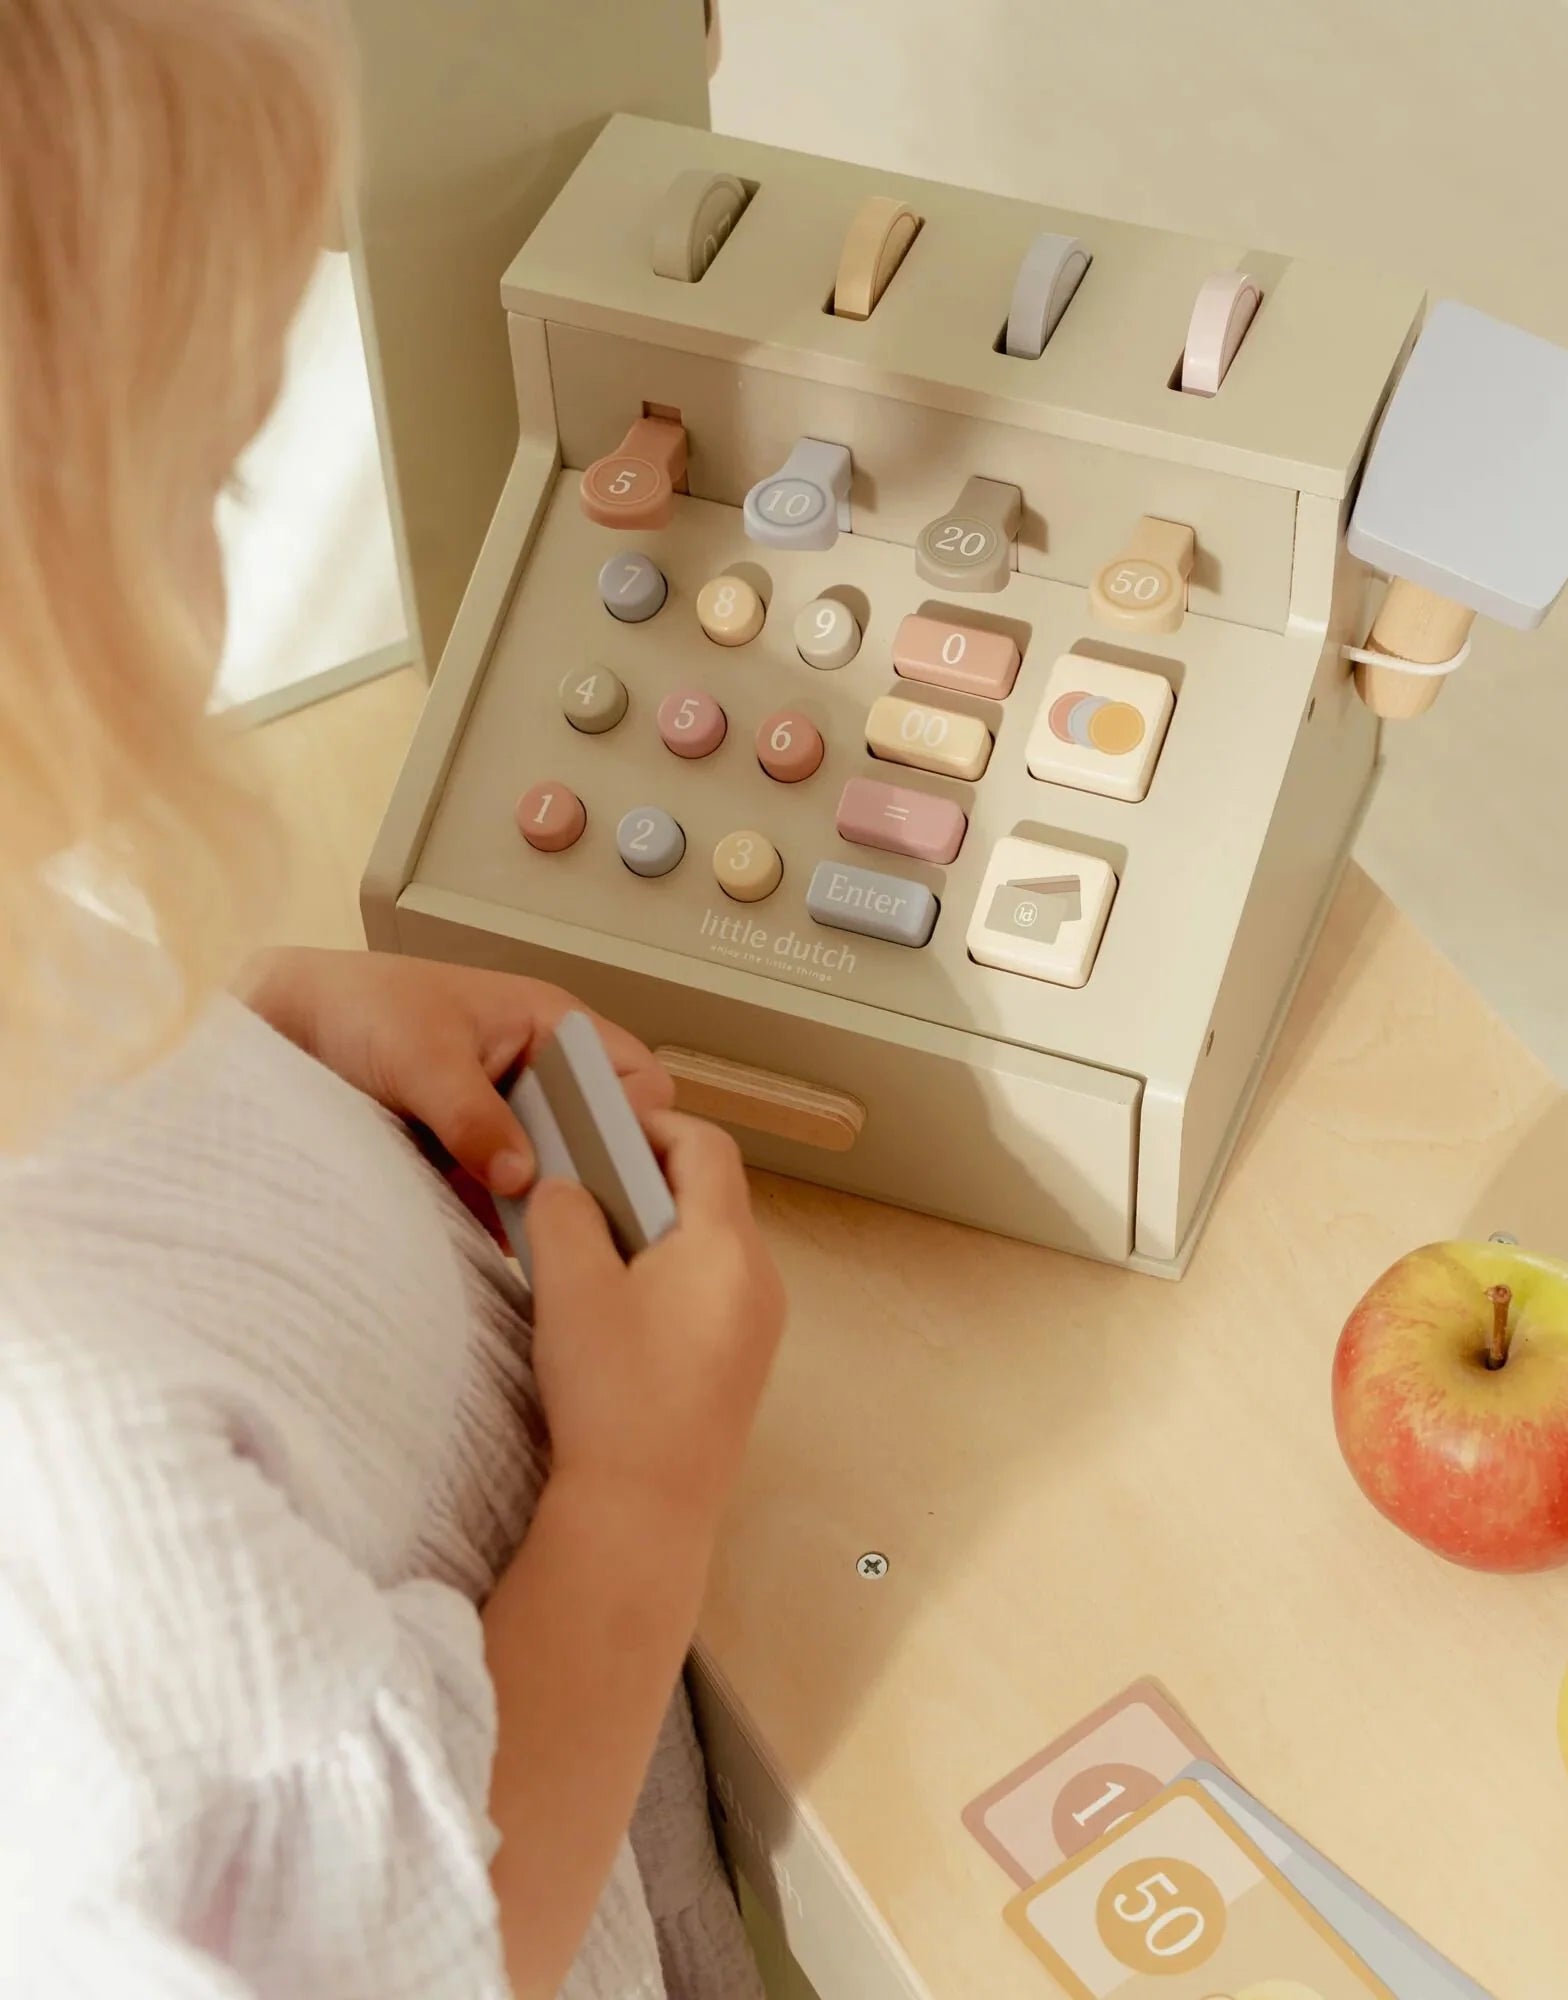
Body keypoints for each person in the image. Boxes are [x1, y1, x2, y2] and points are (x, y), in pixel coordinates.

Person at [0, 4, 783, 1995]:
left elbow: (67, 1059)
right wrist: (641, 1495)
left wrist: (263, 1022)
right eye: (211, 480)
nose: (227, 543)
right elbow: (414, 1946)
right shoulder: (61, 1504)